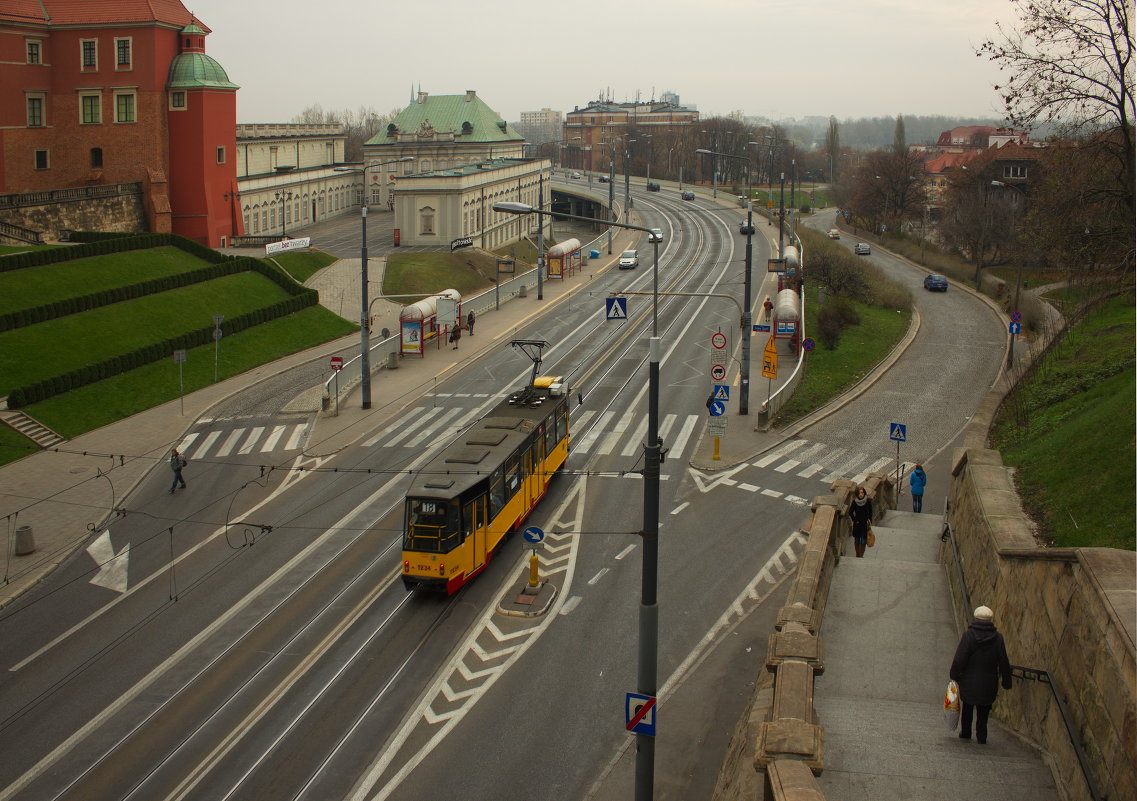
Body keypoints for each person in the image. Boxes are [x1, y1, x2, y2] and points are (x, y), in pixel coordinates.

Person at [950, 605, 1012, 744]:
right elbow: (1003, 661)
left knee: (967, 707)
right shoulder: (998, 639)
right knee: (984, 710)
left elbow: (960, 658)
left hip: (969, 680)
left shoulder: (969, 636)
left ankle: (966, 732)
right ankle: (981, 736)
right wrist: (1006, 681)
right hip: (989, 682)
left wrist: (954, 674)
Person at [848, 485, 873, 557]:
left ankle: (861, 555)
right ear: (857, 494)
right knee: (857, 540)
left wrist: (870, 520)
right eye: (859, 493)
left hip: (865, 523)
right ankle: (857, 554)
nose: (861, 494)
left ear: (864, 493)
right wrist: (854, 520)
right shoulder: (854, 502)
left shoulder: (867, 502)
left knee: (863, 541)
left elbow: (871, 511)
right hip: (857, 524)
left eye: (862, 493)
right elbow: (850, 512)